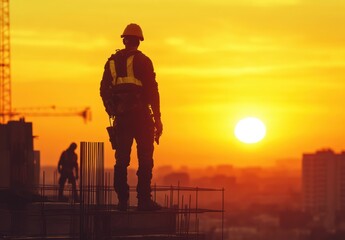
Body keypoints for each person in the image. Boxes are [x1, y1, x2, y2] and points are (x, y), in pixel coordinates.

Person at [100, 23, 163, 211]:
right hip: (142, 118)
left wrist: (111, 109)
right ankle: (143, 200)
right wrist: (158, 118)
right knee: (145, 159)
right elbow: (153, 91)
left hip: (122, 118)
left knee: (121, 160)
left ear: (124, 40)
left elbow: (103, 90)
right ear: (139, 41)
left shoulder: (111, 62)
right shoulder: (144, 61)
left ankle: (122, 201)